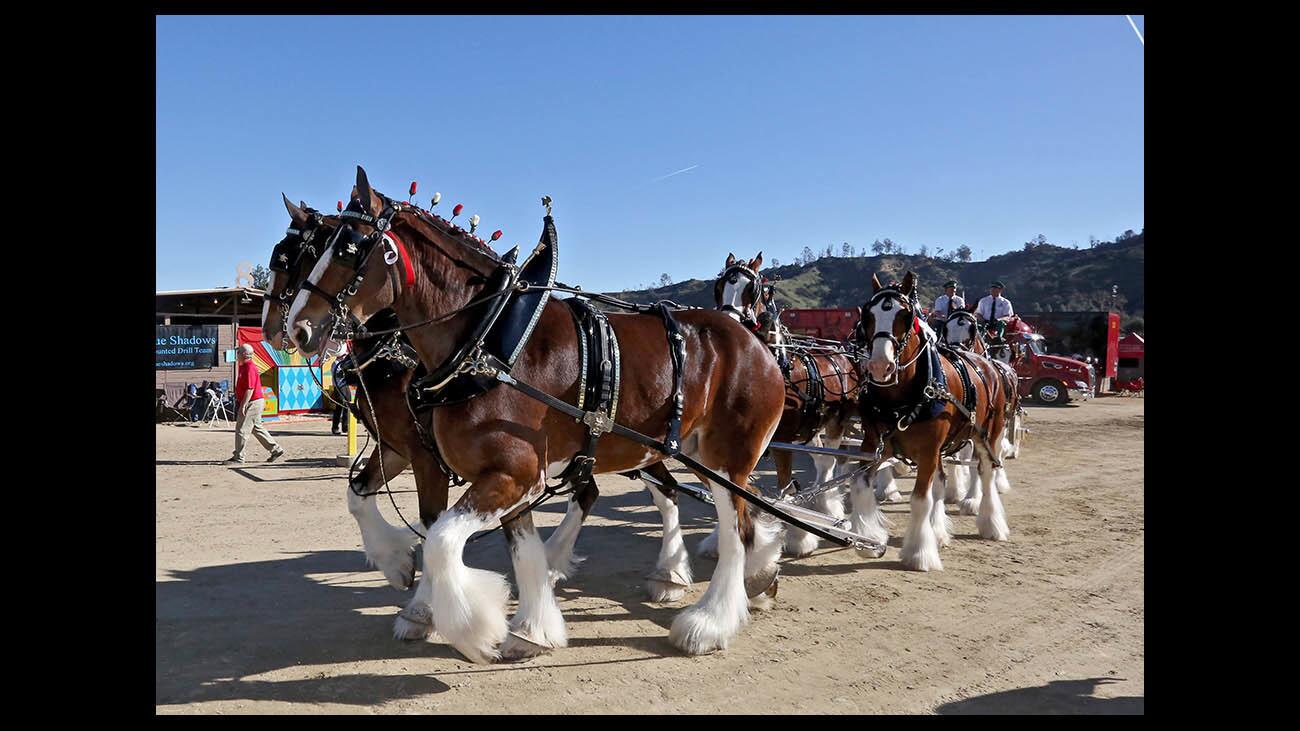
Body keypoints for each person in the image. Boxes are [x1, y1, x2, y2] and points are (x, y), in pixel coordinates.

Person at [225, 344, 284, 464]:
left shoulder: (249, 367)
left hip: (252, 402)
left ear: (244, 354)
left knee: (242, 429)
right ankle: (275, 449)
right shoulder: (244, 366)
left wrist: (243, 405)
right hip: (253, 401)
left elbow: (250, 389)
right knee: (256, 428)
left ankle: (239, 457)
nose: (237, 354)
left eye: (239, 352)